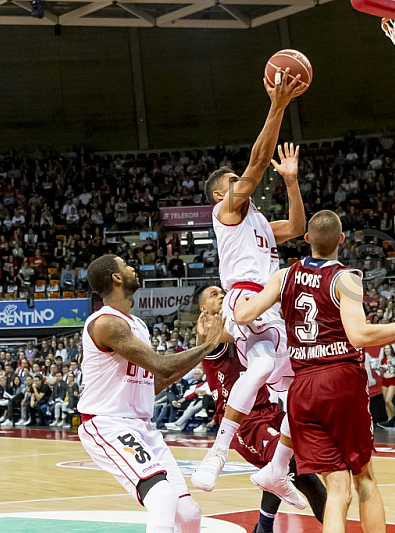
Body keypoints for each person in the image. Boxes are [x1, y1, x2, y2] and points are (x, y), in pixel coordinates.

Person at [232, 209, 395, 533]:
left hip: (301, 390)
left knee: (337, 488)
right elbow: (359, 335)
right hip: (340, 381)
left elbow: (244, 313)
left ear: (306, 240)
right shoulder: (346, 278)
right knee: (364, 479)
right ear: (341, 239)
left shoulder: (283, 276)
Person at [192, 87, 309, 506]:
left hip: (274, 306)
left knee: (302, 391)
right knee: (259, 364)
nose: (242, 184)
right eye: (233, 182)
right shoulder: (227, 214)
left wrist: (292, 182)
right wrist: (277, 106)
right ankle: (217, 454)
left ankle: (277, 469)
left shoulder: (257, 219)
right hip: (244, 300)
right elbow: (258, 163)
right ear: (221, 195)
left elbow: (297, 226)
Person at [76, 254, 226, 533]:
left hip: (141, 426)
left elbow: (156, 380)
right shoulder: (106, 323)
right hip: (107, 423)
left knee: (189, 513)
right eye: (126, 265)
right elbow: (161, 364)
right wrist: (208, 346)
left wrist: (200, 346)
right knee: (163, 497)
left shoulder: (139, 325)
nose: (133, 268)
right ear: (117, 278)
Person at [195, 286, 327, 533]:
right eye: (213, 295)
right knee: (298, 470)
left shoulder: (239, 324)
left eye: (221, 291)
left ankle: (263, 528)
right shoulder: (210, 331)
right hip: (244, 423)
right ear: (203, 310)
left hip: (268, 409)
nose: (221, 295)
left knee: (279, 466)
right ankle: (327, 523)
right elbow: (220, 334)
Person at [378, 344, 395, 420]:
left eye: (388, 348)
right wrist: (380, 368)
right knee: (386, 402)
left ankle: (394, 418)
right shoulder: (383, 360)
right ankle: (389, 418)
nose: (386, 350)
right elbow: (381, 373)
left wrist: (392, 368)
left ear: (391, 350)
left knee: (388, 400)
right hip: (384, 380)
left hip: (392, 380)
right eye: (385, 349)